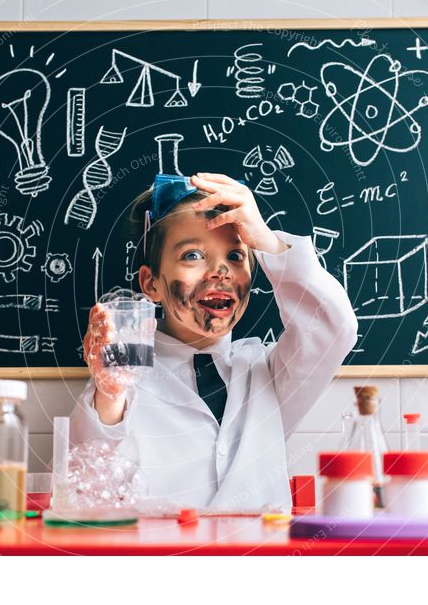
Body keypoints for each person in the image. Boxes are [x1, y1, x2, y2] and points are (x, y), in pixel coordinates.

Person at [70, 172, 358, 509]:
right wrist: (110, 394)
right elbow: (89, 487)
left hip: (265, 557)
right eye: (192, 255)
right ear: (151, 284)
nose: (219, 272)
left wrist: (266, 240)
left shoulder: (270, 375)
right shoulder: (122, 382)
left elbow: (334, 326)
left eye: (235, 257)